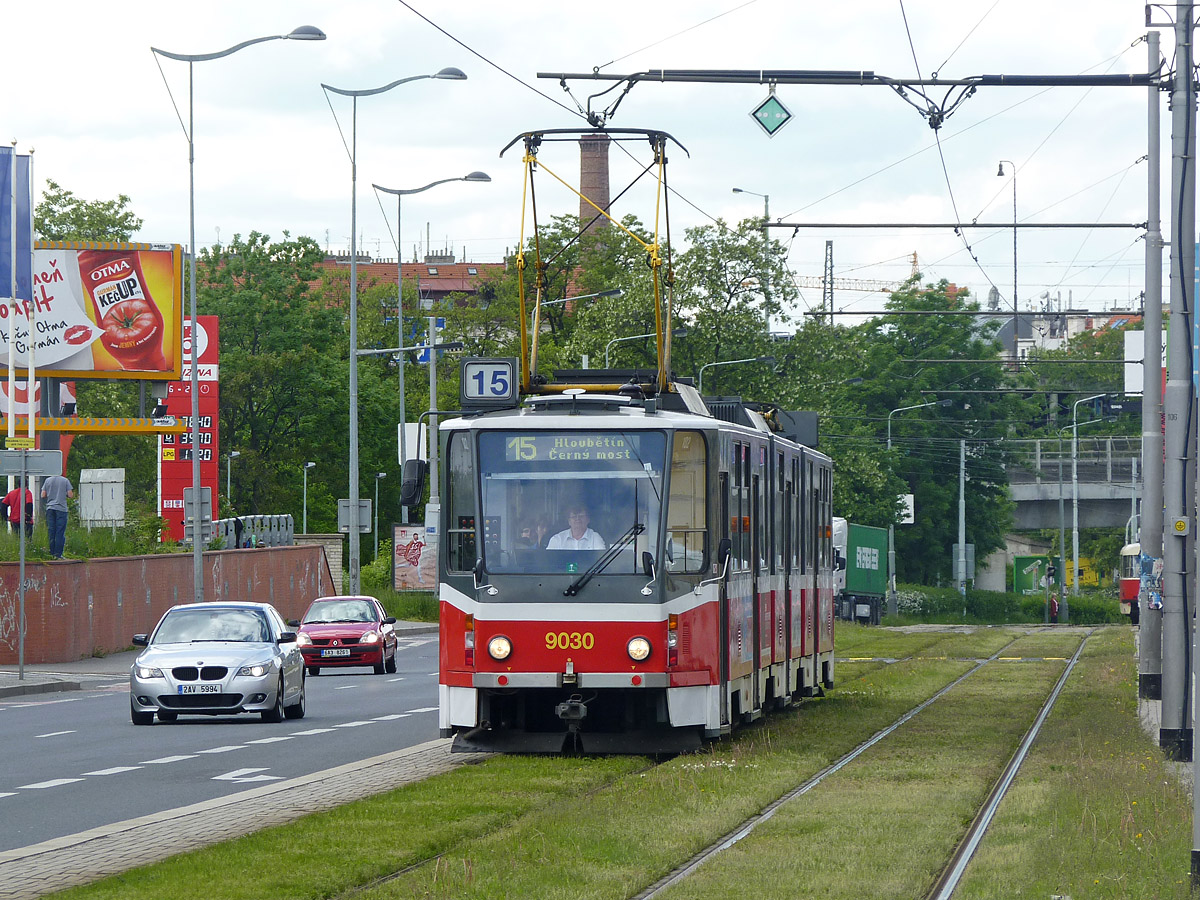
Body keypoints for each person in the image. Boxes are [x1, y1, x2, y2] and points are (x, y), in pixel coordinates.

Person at [41, 471, 74, 559]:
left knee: (51, 531)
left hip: (50, 508)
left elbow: (43, 495)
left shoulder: (47, 480)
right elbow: (70, 495)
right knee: (60, 532)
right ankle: (58, 554)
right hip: (61, 509)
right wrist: (64, 494)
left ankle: (51, 553)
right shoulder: (65, 480)